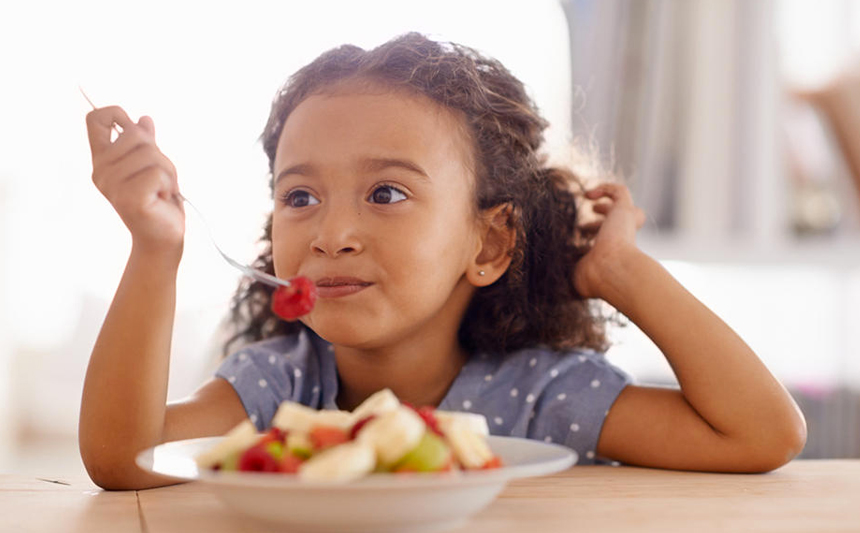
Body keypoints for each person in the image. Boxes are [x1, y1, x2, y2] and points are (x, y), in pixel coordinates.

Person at [79, 33, 806, 490]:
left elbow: (761, 433)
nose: (332, 233)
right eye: (300, 195)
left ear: (488, 243)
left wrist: (623, 274)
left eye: (386, 192)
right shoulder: (282, 384)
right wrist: (155, 247)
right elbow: (128, 459)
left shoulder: (538, 394)